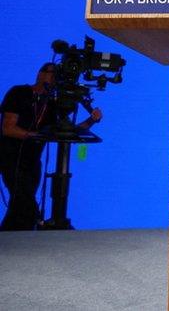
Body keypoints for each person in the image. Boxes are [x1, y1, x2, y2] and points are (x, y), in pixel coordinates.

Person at [1, 62, 102, 230]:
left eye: (57, 74)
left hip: (33, 162)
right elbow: (7, 128)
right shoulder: (19, 93)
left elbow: (69, 131)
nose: (53, 76)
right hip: (10, 158)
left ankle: (10, 243)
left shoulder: (53, 104)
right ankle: (36, 228)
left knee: (18, 208)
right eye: (49, 72)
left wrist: (92, 119)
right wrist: (36, 135)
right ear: (39, 73)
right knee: (26, 205)